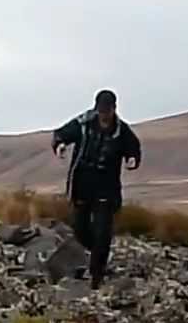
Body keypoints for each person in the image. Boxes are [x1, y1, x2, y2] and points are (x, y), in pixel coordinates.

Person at [50, 89, 142, 289]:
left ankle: (96, 275)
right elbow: (61, 134)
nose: (104, 116)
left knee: (103, 231)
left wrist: (132, 159)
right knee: (80, 228)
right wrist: (60, 145)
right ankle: (96, 253)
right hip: (82, 184)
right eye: (101, 112)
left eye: (107, 112)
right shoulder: (83, 124)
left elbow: (133, 148)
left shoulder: (122, 131)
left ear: (114, 109)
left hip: (106, 188)